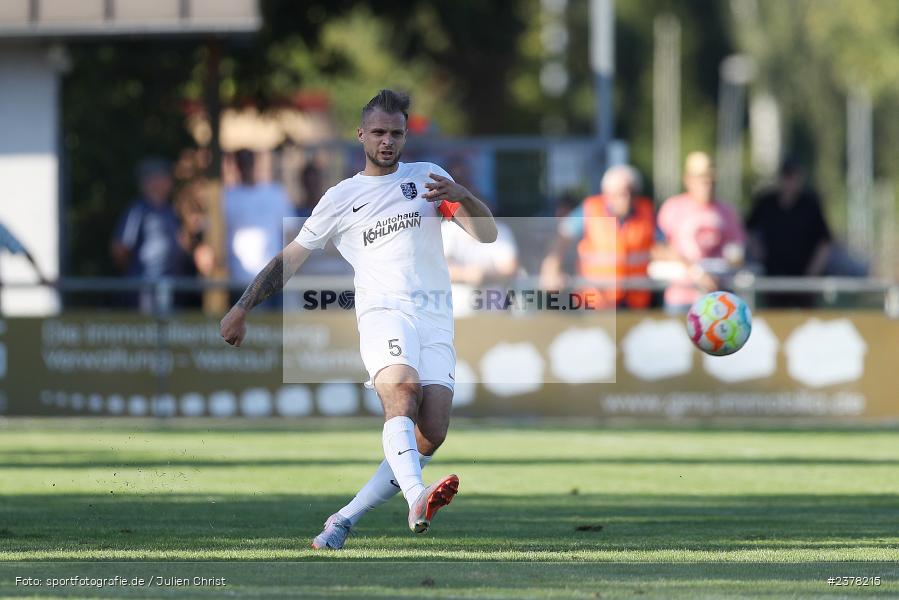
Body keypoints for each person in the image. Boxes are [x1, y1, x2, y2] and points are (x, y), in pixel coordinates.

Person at [219, 89, 497, 549]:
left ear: (406, 136)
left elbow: (485, 235)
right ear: (361, 135)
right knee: (402, 391)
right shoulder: (341, 197)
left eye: (397, 133)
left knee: (434, 431)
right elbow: (290, 259)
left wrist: (464, 195)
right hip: (383, 313)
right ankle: (415, 496)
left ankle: (342, 520)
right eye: (380, 132)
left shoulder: (429, 178)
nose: (388, 141)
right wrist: (243, 306)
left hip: (435, 317)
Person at [540, 165, 655, 309]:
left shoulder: (646, 212)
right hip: (596, 301)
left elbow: (661, 245)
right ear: (606, 194)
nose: (625, 199)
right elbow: (562, 236)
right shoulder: (590, 209)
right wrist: (551, 266)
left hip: (634, 301)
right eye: (618, 194)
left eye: (629, 193)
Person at [654, 152, 746, 311]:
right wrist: (695, 272)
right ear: (688, 180)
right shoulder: (673, 207)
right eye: (701, 179)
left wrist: (726, 267)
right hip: (681, 295)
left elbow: (736, 250)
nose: (707, 184)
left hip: (718, 296)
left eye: (710, 179)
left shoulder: (727, 212)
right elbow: (658, 248)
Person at [746, 158, 833, 307]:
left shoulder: (810, 204)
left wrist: (813, 273)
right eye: (787, 177)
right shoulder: (766, 202)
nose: (790, 182)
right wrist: (758, 254)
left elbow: (824, 241)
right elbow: (749, 230)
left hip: (803, 279)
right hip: (771, 277)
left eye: (794, 177)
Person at [111, 158, 192, 311]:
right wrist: (134, 274)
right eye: (164, 178)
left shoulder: (170, 211)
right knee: (147, 329)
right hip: (145, 287)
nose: (169, 182)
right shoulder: (138, 210)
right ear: (151, 182)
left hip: (171, 286)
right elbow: (120, 248)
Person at [223, 149, 294, 307]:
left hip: (271, 281)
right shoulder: (227, 197)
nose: (247, 167)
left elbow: (290, 233)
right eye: (242, 163)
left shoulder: (275, 193)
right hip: (238, 282)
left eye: (249, 162)